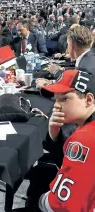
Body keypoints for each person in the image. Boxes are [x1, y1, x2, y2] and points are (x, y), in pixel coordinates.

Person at [37, 70, 95, 211]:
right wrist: (54, 136)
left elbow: (62, 205)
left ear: (88, 100)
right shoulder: (84, 127)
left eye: (64, 99)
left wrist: (41, 201)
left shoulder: (84, 139)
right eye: (56, 99)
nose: (56, 105)